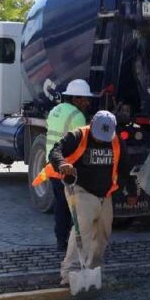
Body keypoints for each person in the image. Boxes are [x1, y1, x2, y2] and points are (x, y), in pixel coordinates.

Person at [38, 111, 126, 285]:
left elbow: (124, 166)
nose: (101, 140)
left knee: (103, 233)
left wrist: (129, 191)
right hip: (81, 189)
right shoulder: (78, 135)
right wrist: (62, 164)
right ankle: (70, 273)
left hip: (105, 193)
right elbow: (56, 151)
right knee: (82, 230)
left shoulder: (116, 140)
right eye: (98, 135)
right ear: (92, 124)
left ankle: (93, 270)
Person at [45, 79, 94, 251]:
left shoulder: (55, 110)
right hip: (67, 168)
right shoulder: (77, 116)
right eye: (84, 99)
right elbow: (81, 144)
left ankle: (61, 242)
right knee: (74, 208)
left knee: (60, 205)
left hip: (51, 165)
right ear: (75, 99)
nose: (87, 103)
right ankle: (75, 244)